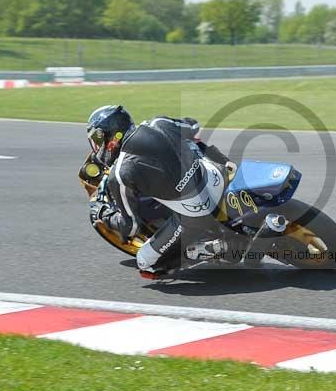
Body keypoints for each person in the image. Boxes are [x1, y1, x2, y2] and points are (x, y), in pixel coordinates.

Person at [86, 105, 232, 279]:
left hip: (197, 213)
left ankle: (216, 249)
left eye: (98, 138)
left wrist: (103, 214)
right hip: (218, 176)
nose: (98, 145)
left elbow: (131, 227)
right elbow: (193, 126)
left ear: (114, 135)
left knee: (145, 262)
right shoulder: (158, 122)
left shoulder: (119, 174)